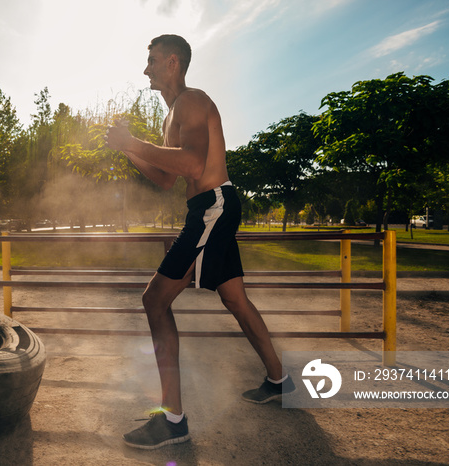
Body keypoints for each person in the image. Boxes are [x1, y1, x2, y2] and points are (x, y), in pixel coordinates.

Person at [104, 34, 295, 450]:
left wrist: (132, 143)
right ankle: (280, 380)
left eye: (151, 60)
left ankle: (173, 420)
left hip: (213, 207)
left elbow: (193, 163)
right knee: (236, 299)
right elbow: (166, 179)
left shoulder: (192, 101)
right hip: (209, 209)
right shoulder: (171, 114)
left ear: (173, 62)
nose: (146, 69)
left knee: (154, 301)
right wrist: (128, 151)